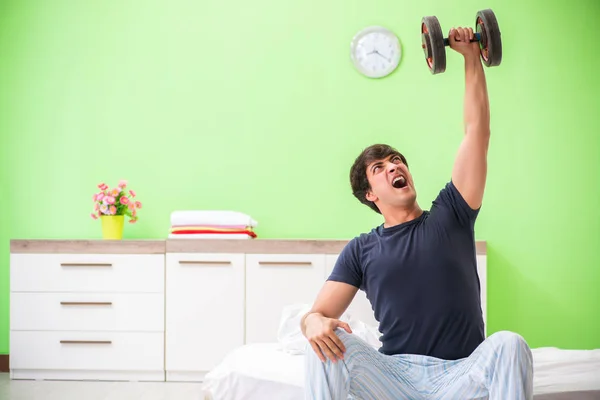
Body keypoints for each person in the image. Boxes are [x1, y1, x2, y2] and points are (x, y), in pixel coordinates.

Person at [301, 26, 533, 400]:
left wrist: (472, 56)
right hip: (395, 377)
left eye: (396, 161)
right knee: (327, 344)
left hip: (461, 373)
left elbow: (477, 132)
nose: (393, 167)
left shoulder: (451, 214)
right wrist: (312, 323)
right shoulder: (361, 249)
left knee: (509, 343)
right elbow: (319, 313)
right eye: (379, 168)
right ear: (369, 194)